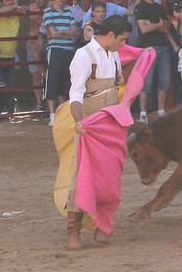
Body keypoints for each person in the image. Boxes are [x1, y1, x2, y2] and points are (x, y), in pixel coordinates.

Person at [65, 15, 131, 250]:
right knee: (83, 175)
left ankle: (103, 226)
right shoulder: (83, 55)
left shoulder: (113, 55)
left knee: (111, 175)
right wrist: (79, 120)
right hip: (90, 124)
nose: (124, 45)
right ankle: (73, 231)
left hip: (111, 123)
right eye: (122, 39)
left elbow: (119, 85)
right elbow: (76, 93)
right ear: (111, 35)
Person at [134, 0, 176, 122]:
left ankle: (161, 111)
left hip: (163, 47)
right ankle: (143, 114)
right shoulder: (140, 8)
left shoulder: (159, 7)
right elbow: (143, 29)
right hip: (148, 48)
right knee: (146, 82)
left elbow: (166, 28)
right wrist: (158, 24)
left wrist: (154, 25)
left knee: (164, 81)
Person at [43, 0, 78, 126]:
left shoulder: (69, 12)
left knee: (65, 80)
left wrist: (60, 33)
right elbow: (54, 34)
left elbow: (74, 32)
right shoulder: (48, 12)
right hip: (56, 49)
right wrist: (66, 34)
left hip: (67, 50)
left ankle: (60, 113)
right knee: (52, 79)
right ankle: (52, 114)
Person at [0, 0, 27, 115]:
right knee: (0, 85)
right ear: (0, 3)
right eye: (7, 0)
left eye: (11, 0)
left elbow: (27, 8)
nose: (10, 2)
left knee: (7, 85)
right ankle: (11, 105)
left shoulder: (15, 13)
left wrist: (21, 7)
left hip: (10, 56)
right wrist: (15, 6)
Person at [27, 0, 48, 111]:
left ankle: (48, 103)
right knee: (36, 77)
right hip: (32, 43)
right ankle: (39, 104)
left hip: (46, 43)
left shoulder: (51, 5)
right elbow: (41, 22)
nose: (38, 0)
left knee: (50, 73)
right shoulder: (33, 8)